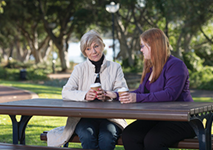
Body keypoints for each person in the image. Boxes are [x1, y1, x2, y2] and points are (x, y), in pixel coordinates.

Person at [106, 28, 196, 150]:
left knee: (153, 140)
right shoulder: (151, 67)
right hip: (158, 117)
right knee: (129, 135)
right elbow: (140, 92)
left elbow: (170, 94)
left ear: (153, 46)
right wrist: (116, 95)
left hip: (181, 119)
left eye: (143, 46)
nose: (141, 49)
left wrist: (137, 98)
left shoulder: (176, 65)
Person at [47, 30, 128, 150]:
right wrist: (85, 95)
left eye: (96, 46)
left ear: (102, 45)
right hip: (83, 117)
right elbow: (66, 92)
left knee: (107, 137)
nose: (93, 51)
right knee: (87, 135)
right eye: (88, 49)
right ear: (84, 52)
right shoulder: (79, 69)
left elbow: (122, 91)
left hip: (111, 118)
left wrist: (109, 95)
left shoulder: (115, 67)